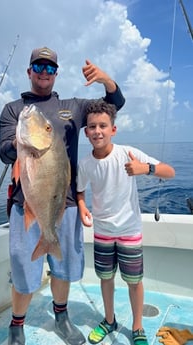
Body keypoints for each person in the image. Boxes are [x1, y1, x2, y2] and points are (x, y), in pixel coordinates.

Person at [0, 46, 125, 345]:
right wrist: (22, 145)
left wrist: (107, 81)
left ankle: (61, 316)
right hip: (24, 203)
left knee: (63, 269)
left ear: (56, 74)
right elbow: (4, 153)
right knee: (22, 267)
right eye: (38, 67)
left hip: (64, 203)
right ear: (29, 72)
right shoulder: (14, 110)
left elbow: (114, 104)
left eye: (50, 68)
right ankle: (17, 325)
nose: (44, 73)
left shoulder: (74, 106)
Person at [76, 100, 175, 345]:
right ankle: (109, 321)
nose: (97, 131)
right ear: (86, 132)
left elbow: (169, 171)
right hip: (102, 232)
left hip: (130, 230)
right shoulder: (85, 163)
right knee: (106, 278)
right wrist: (81, 206)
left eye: (103, 125)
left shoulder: (127, 152)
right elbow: (79, 191)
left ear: (113, 129)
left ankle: (138, 326)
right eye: (92, 127)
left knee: (134, 282)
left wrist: (146, 168)